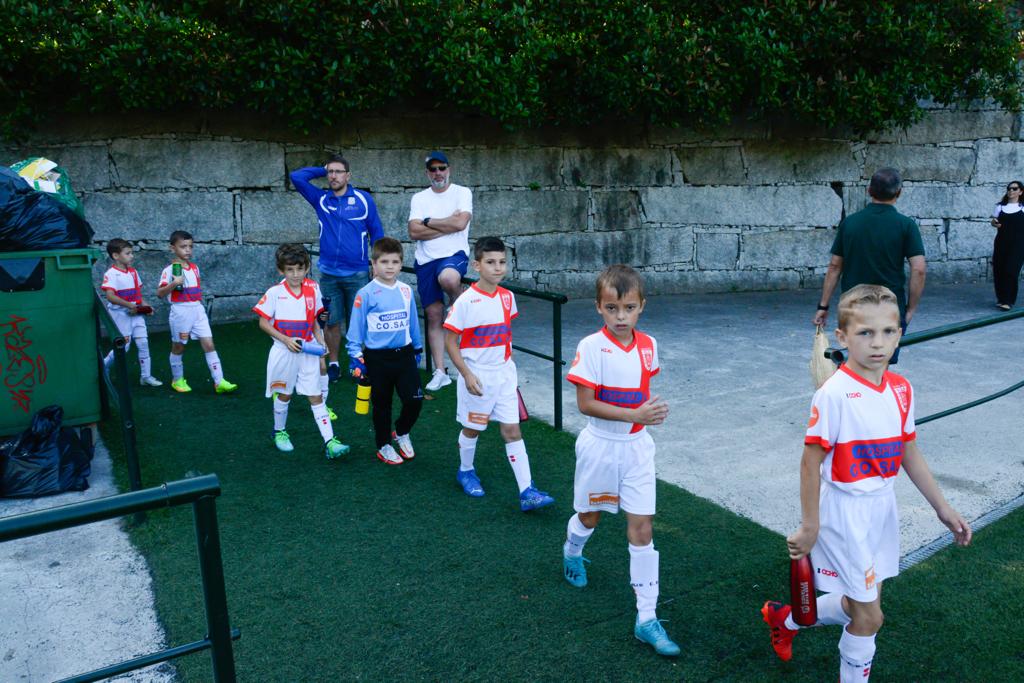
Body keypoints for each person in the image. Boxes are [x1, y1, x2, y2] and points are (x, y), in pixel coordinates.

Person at [762, 284, 972, 682]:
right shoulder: (834, 394)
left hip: (882, 508)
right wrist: (810, 526)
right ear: (842, 337)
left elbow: (908, 450)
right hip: (844, 513)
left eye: (888, 331)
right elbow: (810, 463)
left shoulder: (902, 389)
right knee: (870, 617)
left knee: (858, 605)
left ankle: (783, 618)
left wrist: (942, 508)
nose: (878, 343)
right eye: (865, 333)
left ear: (899, 334)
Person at [561, 264, 679, 657]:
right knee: (590, 517)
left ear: (641, 306)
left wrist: (647, 414)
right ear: (599, 307)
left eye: (629, 308)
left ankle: (646, 618)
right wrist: (634, 414)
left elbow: (641, 392)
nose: (621, 317)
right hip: (600, 445)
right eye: (612, 308)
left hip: (637, 448)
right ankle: (572, 551)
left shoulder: (649, 345)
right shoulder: (591, 347)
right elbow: (585, 404)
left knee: (642, 528)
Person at [444, 236, 554, 511]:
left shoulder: (508, 297)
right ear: (477, 265)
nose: (498, 268)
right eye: (491, 262)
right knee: (473, 428)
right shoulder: (466, 301)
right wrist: (467, 374)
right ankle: (465, 471)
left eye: (502, 262)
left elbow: (505, 334)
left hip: (504, 375)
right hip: (477, 377)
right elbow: (450, 342)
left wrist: (508, 368)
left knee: (512, 430)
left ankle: (527, 491)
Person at [813, 167, 925, 364]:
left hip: (853, 304)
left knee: (853, 362)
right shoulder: (906, 225)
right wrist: (910, 309)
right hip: (889, 305)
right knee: (881, 363)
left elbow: (835, 267)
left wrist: (823, 306)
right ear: (899, 193)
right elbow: (919, 269)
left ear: (869, 190)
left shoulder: (850, 223)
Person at [290, 155, 385, 382]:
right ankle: (334, 363)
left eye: (338, 172)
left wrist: (377, 263)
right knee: (331, 321)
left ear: (348, 176)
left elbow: (377, 232)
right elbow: (296, 177)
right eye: (330, 172)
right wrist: (322, 169)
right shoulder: (321, 199)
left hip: (357, 273)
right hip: (329, 274)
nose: (333, 176)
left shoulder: (363, 199)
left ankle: (358, 362)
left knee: (358, 321)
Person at [254, 244, 348, 459]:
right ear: (281, 270)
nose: (295, 274)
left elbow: (314, 322)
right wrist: (285, 340)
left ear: (306, 268)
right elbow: (263, 323)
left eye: (299, 269)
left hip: (307, 350)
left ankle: (330, 441)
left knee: (315, 395)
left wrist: (321, 341)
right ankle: (279, 431)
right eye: (290, 269)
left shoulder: (313, 290)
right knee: (284, 393)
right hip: (283, 351)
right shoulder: (275, 293)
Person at [346, 238, 424, 466]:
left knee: (415, 400)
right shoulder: (365, 293)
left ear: (401, 264)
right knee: (382, 405)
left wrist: (417, 347)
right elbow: (356, 328)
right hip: (377, 358)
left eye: (395, 262)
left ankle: (401, 432)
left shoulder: (406, 290)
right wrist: (355, 355)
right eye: (384, 262)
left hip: (405, 355)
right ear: (373, 263)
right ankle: (384, 445)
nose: (390, 267)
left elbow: (413, 323)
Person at [408, 151, 472, 391]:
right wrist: (447, 223)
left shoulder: (462, 192)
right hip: (426, 260)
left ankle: (458, 301)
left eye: (441, 168)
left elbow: (460, 223)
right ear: (427, 173)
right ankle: (440, 371)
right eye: (433, 169)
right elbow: (413, 232)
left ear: (449, 169)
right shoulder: (419, 198)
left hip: (453, 255)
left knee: (448, 278)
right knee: (434, 315)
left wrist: (428, 221)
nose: (438, 173)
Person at [155, 230, 238, 394]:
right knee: (178, 346)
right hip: (180, 311)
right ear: (172, 248)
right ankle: (177, 380)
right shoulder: (169, 270)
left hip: (198, 310)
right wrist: (174, 283)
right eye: (183, 246)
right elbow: (160, 293)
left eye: (190, 246)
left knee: (209, 344)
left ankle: (219, 381)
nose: (188, 250)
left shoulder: (195, 268)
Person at [99, 238, 162, 386]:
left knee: (143, 343)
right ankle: (103, 367)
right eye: (128, 253)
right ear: (116, 256)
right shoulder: (111, 274)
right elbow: (110, 296)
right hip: (120, 315)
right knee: (124, 346)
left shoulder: (133, 272)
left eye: (131, 253)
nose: (132, 256)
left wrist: (146, 306)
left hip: (136, 314)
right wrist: (130, 306)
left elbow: (138, 296)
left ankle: (146, 377)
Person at [989, 180, 1024, 310]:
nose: (1011, 191)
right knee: (999, 270)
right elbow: (994, 221)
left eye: (1014, 189)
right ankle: (1001, 298)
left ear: (1021, 192)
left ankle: (1008, 301)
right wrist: (995, 223)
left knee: (1011, 270)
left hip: (1019, 244)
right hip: (1001, 242)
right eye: (1009, 188)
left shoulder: (1023, 208)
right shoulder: (1000, 207)